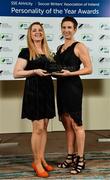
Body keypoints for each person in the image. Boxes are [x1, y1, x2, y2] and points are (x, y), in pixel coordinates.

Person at [13, 22, 55, 178]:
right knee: (37, 128)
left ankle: (42, 158)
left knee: (44, 126)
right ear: (30, 35)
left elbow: (50, 71)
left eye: (40, 30)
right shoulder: (26, 51)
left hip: (47, 91)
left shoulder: (47, 51)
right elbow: (16, 73)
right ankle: (36, 162)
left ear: (43, 33)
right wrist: (34, 71)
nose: (37, 33)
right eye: (34, 31)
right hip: (34, 91)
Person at [53, 16, 92, 174]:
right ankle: (70, 157)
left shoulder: (79, 46)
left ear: (75, 29)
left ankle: (81, 159)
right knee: (67, 124)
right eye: (64, 27)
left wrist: (71, 73)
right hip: (61, 87)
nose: (66, 30)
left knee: (77, 124)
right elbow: (58, 69)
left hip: (73, 87)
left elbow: (89, 68)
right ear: (61, 29)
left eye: (69, 27)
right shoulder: (59, 47)